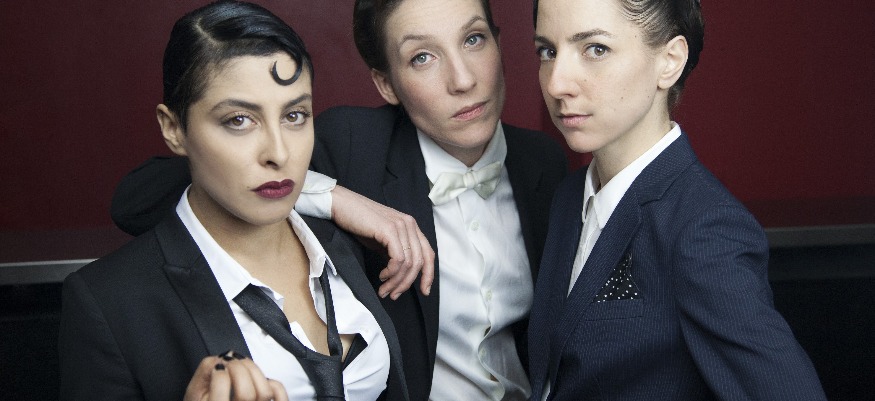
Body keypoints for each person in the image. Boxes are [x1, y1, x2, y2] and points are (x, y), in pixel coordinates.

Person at [110, 0, 568, 399]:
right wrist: (336, 198)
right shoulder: (351, 144)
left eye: (473, 39)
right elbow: (138, 198)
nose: (463, 79)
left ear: (499, 44)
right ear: (386, 84)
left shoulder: (544, 161)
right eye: (422, 57)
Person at [58, 2, 408, 400]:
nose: (278, 153)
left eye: (294, 115)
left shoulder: (348, 244)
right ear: (173, 128)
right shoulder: (108, 302)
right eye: (239, 120)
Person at [527, 0, 827, 400]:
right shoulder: (568, 196)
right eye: (548, 51)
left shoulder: (704, 228)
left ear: (669, 61)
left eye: (595, 49)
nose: (556, 83)